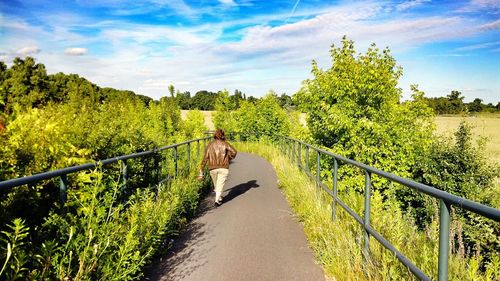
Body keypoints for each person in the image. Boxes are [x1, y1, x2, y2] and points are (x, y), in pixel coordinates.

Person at [198, 129, 237, 206]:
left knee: (217, 185)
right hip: (223, 168)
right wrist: (229, 158)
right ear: (223, 135)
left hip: (212, 168)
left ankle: (218, 199)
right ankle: (217, 200)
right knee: (219, 185)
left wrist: (201, 169)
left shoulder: (210, 145)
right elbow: (234, 152)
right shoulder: (225, 144)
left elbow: (205, 158)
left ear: (215, 135)